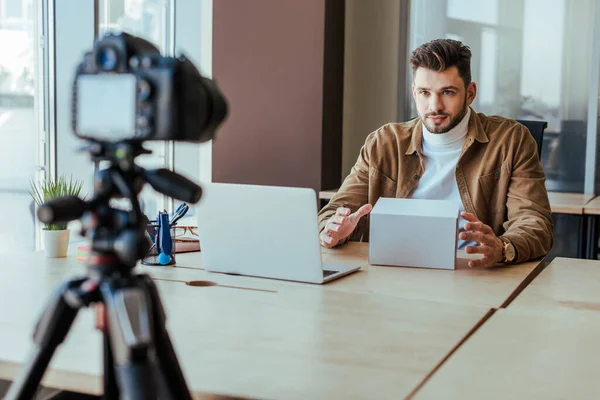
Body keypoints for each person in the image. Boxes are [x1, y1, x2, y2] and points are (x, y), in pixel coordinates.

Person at [317, 39, 553, 268]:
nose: (435, 106)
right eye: (425, 93)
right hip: (393, 269)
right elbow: (334, 211)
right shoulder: (384, 142)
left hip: (471, 271)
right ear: (414, 93)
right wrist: (332, 230)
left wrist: (502, 248)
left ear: (470, 93)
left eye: (448, 92)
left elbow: (534, 224)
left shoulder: (511, 140)